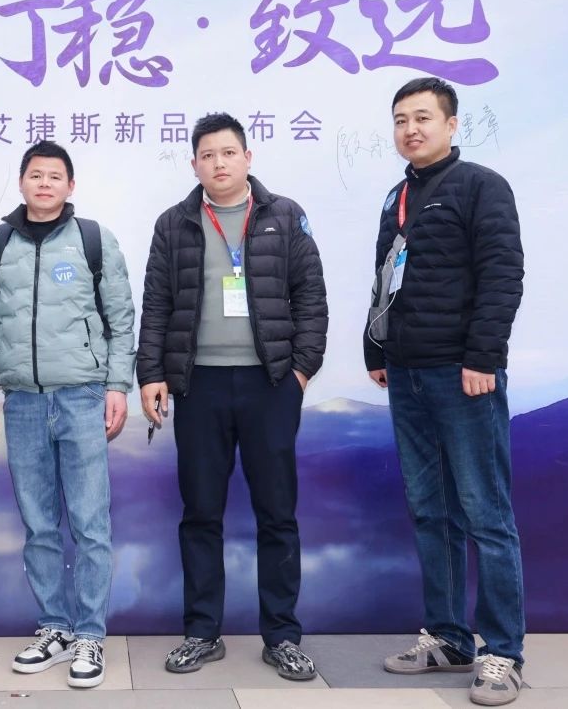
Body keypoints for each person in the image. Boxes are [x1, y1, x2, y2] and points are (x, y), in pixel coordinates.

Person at [137, 113, 328, 682]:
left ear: (248, 157)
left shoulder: (285, 216)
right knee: (200, 513)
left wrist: (299, 372)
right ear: (194, 164)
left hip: (270, 385)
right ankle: (202, 632)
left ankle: (282, 636)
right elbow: (157, 304)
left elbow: (311, 298)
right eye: (207, 155)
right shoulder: (174, 224)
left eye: (227, 152)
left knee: (277, 513)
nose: (218, 163)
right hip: (200, 386)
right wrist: (152, 373)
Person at [366, 77, 526, 706]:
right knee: (430, 510)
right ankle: (448, 638)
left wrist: (483, 356)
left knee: (485, 513)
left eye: (423, 117)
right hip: (406, 373)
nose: (411, 129)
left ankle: (502, 651)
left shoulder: (482, 186)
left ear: (452, 124)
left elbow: (502, 273)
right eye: (401, 119)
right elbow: (385, 274)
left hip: (463, 374)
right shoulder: (398, 195)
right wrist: (375, 349)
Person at [0, 141, 135, 689]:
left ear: (70, 185)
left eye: (54, 176)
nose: (44, 184)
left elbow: (120, 319)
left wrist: (117, 385)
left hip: (82, 397)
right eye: (35, 175)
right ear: (21, 182)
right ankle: (54, 627)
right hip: (22, 403)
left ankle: (90, 634)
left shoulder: (93, 240)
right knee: (38, 525)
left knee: (89, 523)